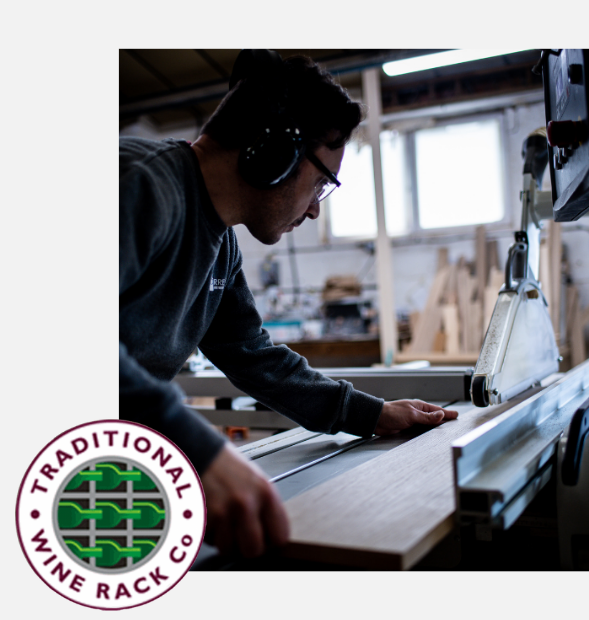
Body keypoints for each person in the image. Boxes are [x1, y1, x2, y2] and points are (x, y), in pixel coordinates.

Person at [119, 50, 458, 559]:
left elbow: (255, 358)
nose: (317, 206)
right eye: (322, 179)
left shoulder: (220, 245)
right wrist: (203, 450)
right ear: (271, 150)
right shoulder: (140, 186)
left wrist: (372, 413)